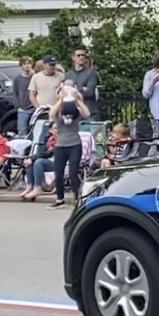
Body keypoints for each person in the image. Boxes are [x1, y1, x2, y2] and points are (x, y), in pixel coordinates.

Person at [47, 80, 91, 209]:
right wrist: (60, 99)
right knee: (58, 172)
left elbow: (87, 114)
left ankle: (77, 197)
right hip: (60, 146)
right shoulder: (58, 111)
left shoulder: (75, 112)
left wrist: (77, 100)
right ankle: (60, 199)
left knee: (73, 172)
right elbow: (51, 114)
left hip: (74, 145)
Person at [19, 121, 57, 201]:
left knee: (38, 162)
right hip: (47, 160)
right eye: (55, 128)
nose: (58, 130)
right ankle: (30, 186)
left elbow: (50, 153)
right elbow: (41, 152)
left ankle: (37, 187)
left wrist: (33, 158)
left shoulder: (63, 140)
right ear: (50, 130)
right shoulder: (47, 139)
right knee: (30, 162)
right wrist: (31, 158)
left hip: (59, 162)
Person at [64, 46, 101, 120]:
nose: (81, 57)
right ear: (73, 57)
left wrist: (74, 89)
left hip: (90, 112)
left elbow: (90, 92)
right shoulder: (68, 74)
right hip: (74, 113)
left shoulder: (91, 73)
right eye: (78, 55)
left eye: (83, 55)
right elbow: (66, 93)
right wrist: (82, 89)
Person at [12, 56, 35, 136]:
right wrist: (18, 107)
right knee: (22, 131)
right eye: (24, 64)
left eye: (29, 63)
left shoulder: (34, 77)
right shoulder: (17, 79)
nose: (27, 66)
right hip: (23, 110)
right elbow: (15, 93)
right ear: (21, 66)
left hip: (34, 108)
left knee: (35, 131)